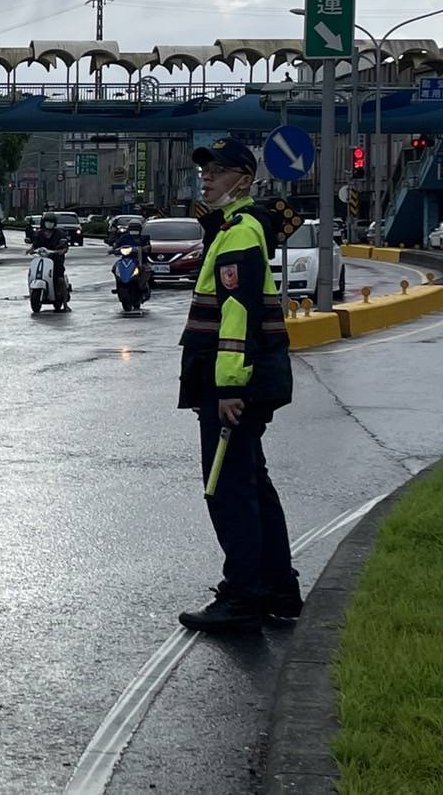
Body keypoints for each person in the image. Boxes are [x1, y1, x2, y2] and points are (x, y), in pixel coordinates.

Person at [177, 137, 298, 633]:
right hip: (246, 383)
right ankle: (278, 590)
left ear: (244, 180)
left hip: (234, 387)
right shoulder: (233, 229)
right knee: (252, 485)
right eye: (205, 170)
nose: (206, 177)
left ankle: (244, 596)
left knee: (227, 491)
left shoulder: (241, 234)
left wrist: (229, 389)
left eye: (218, 170)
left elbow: (238, 316)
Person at [29, 212, 71, 310]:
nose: (49, 224)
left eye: (51, 222)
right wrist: (31, 250)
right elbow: (35, 245)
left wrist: (61, 251)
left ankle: (65, 304)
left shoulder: (59, 234)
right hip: (42, 259)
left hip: (56, 260)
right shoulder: (40, 234)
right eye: (47, 222)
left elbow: (65, 246)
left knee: (60, 279)